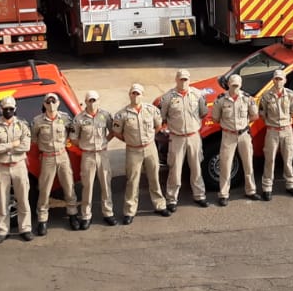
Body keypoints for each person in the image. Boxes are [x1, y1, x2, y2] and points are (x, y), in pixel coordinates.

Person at [111, 84, 172, 223]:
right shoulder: (122, 114)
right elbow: (116, 132)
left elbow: (158, 126)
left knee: (154, 178)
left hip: (150, 148)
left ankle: (160, 205)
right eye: (133, 93)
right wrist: (129, 140)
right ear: (129, 95)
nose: (135, 96)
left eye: (138, 93)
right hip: (133, 151)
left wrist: (149, 138)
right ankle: (129, 211)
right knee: (132, 181)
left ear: (142, 95)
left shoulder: (151, 110)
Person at [159, 69, 209, 210]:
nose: (183, 82)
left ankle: (199, 196)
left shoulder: (197, 94)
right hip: (177, 138)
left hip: (193, 137)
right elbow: (162, 117)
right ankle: (171, 199)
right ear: (176, 80)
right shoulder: (168, 97)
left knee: (196, 167)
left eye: (185, 79)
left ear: (189, 80)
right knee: (175, 170)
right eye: (181, 79)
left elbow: (203, 113)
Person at [0, 96, 33, 243]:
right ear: (0, 109)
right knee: (2, 200)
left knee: (23, 199)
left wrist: (4, 148)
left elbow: (26, 146)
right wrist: (13, 144)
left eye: (11, 109)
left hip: (19, 166)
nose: (8, 111)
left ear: (15, 109)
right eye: (5, 108)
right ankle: (2, 231)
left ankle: (25, 229)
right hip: (2, 168)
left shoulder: (22, 124)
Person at [31, 94, 76, 235]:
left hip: (62, 155)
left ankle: (73, 214)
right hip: (47, 157)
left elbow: (72, 133)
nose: (51, 104)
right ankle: (42, 219)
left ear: (58, 103)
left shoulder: (65, 118)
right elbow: (34, 139)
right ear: (44, 104)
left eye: (53, 101)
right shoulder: (37, 121)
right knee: (44, 190)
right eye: (48, 102)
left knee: (69, 186)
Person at [211, 74, 259, 204]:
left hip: (243, 134)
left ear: (241, 85)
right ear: (228, 85)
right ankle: (223, 194)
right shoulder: (221, 100)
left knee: (248, 163)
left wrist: (245, 123)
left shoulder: (247, 99)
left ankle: (251, 191)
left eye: (237, 86)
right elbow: (215, 118)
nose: (235, 88)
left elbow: (255, 115)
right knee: (225, 165)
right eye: (232, 86)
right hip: (228, 135)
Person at [69, 90, 113, 228]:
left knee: (106, 184)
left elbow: (112, 131)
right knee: (87, 186)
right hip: (88, 155)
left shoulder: (105, 115)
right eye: (90, 100)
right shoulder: (79, 119)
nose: (92, 103)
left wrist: (105, 141)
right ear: (86, 102)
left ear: (98, 101)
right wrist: (84, 146)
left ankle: (108, 213)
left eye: (94, 100)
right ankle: (86, 215)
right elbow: (73, 138)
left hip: (102, 153)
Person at [258, 69, 293, 198]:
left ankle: (291, 184)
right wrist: (272, 123)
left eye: (281, 79)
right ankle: (267, 188)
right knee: (270, 160)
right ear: (273, 80)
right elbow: (262, 113)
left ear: (285, 80)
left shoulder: (290, 95)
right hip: (272, 131)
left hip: (287, 130)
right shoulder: (266, 96)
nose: (278, 81)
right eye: (276, 79)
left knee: (288, 159)